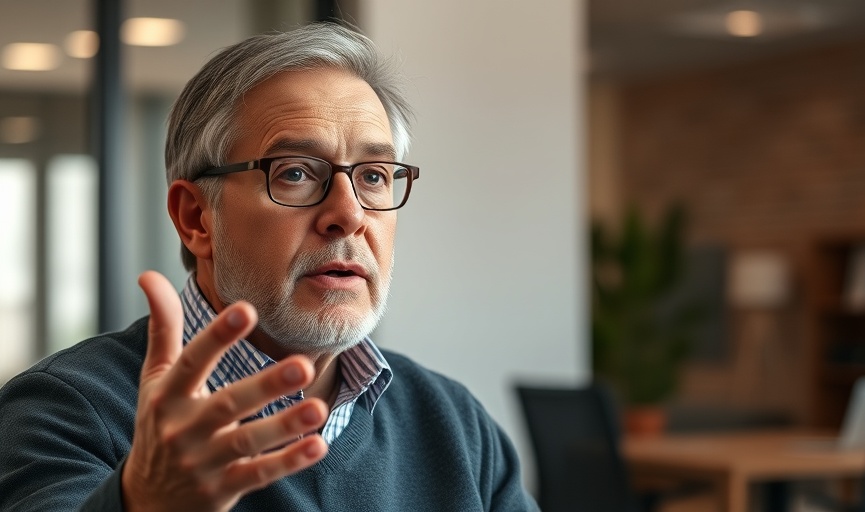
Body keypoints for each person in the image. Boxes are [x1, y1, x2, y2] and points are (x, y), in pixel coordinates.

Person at [0, 22, 537, 511]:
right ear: (197, 218)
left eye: (374, 176)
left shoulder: (454, 422)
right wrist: (143, 503)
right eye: (297, 173)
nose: (348, 214)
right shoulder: (64, 411)